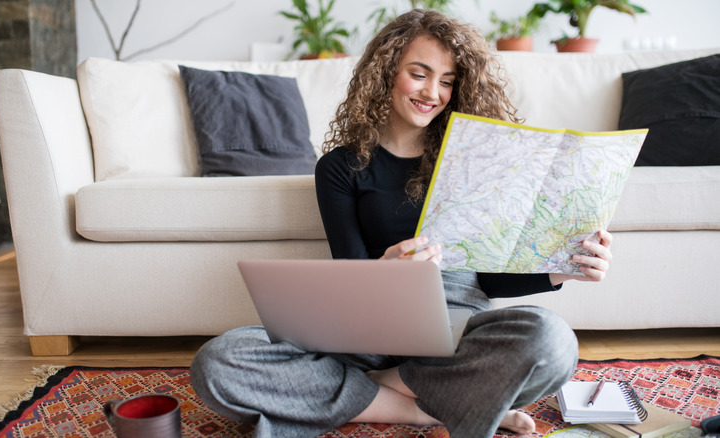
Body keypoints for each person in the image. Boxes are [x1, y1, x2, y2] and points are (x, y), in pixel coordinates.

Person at [190, 9, 613, 438]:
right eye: (420, 73)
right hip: (367, 331)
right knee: (220, 360)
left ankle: (381, 392)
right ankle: (432, 407)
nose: (433, 91)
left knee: (552, 342)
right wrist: (386, 269)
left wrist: (561, 270)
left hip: (456, 334)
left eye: (447, 81)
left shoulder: (475, 161)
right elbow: (349, 270)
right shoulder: (340, 167)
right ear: (387, 70)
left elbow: (487, 277)